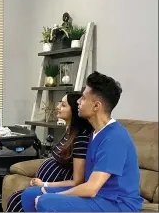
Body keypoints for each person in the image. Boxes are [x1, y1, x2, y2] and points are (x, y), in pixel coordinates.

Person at [21, 71, 143, 212]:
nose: (78, 101)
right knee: (30, 194)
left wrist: (57, 196)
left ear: (96, 106)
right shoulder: (95, 133)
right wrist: (49, 191)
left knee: (46, 202)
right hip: (99, 196)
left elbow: (91, 188)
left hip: (117, 203)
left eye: (83, 98)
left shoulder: (115, 138)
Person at [6, 92, 93, 212]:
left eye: (63, 105)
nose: (57, 107)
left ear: (74, 110)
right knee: (15, 198)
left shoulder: (81, 138)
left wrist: (45, 185)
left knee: (18, 201)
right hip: (45, 183)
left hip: (56, 187)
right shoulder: (70, 132)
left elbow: (78, 181)